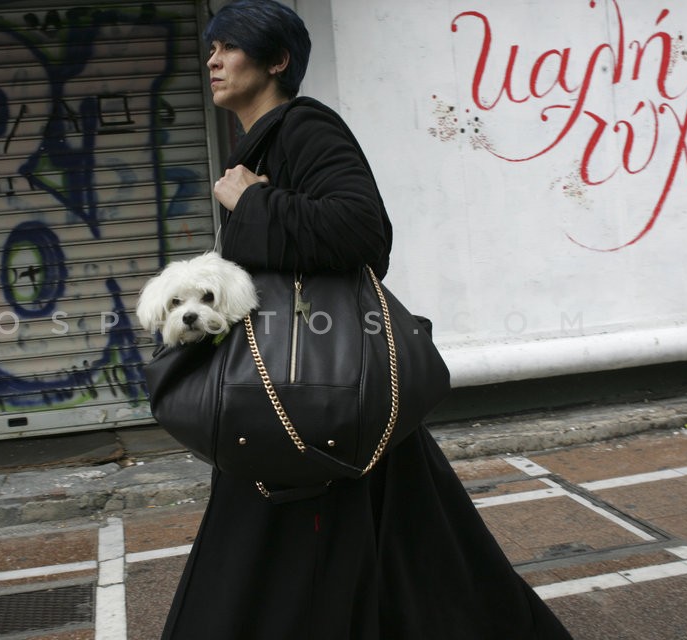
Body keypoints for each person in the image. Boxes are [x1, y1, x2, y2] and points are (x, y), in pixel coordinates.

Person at [161, 1, 574, 638]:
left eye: (231, 46)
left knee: (300, 547)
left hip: (313, 386)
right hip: (313, 388)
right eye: (211, 47)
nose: (212, 59)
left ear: (278, 61)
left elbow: (363, 232)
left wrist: (254, 201)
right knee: (416, 547)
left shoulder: (304, 127)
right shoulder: (260, 141)